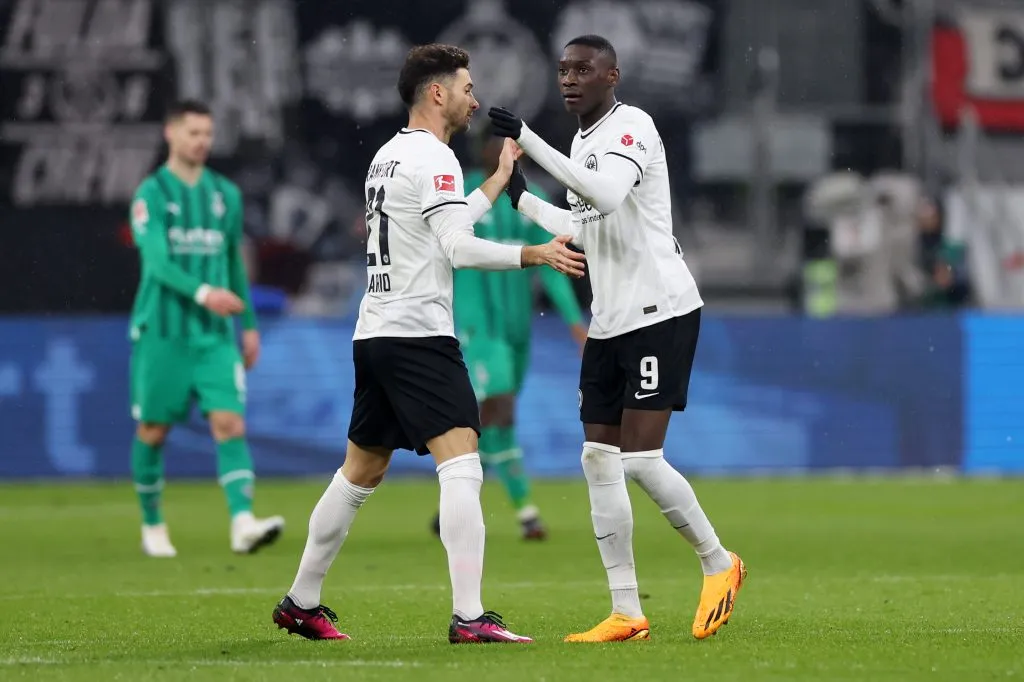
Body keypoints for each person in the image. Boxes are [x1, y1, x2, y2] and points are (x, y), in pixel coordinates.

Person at [270, 43, 585, 644]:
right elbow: (457, 248)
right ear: (437, 92)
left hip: (376, 333)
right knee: (464, 461)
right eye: (466, 86)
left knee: (360, 471)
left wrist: (494, 184)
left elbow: (444, 224)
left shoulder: (388, 157)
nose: (473, 98)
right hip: (418, 336)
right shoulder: (437, 160)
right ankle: (470, 617)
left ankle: (300, 600)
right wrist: (533, 253)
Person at [487, 34, 746, 642]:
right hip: (610, 321)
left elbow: (604, 194)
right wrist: (523, 198)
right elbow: (582, 224)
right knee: (597, 458)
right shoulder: (580, 142)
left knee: (641, 458)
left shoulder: (633, 127)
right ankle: (627, 610)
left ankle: (719, 562)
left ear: (613, 76)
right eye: (563, 70)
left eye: (583, 69)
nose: (570, 79)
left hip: (660, 310)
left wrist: (527, 138)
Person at [128, 100, 285, 557]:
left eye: (207, 134)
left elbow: (233, 264)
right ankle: (153, 526)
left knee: (229, 423)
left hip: (215, 336)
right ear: (170, 133)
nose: (202, 142)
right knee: (154, 431)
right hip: (163, 332)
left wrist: (249, 325)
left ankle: (242, 522)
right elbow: (156, 262)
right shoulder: (151, 194)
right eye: (193, 132)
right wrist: (203, 294)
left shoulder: (224, 195)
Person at [429, 131, 589, 541]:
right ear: (484, 150)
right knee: (500, 409)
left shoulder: (528, 196)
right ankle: (526, 511)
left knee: (496, 415)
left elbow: (553, 260)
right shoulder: (463, 193)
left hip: (518, 328)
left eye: (512, 147)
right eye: (498, 145)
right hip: (477, 326)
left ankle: (454, 494)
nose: (507, 152)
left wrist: (573, 320)